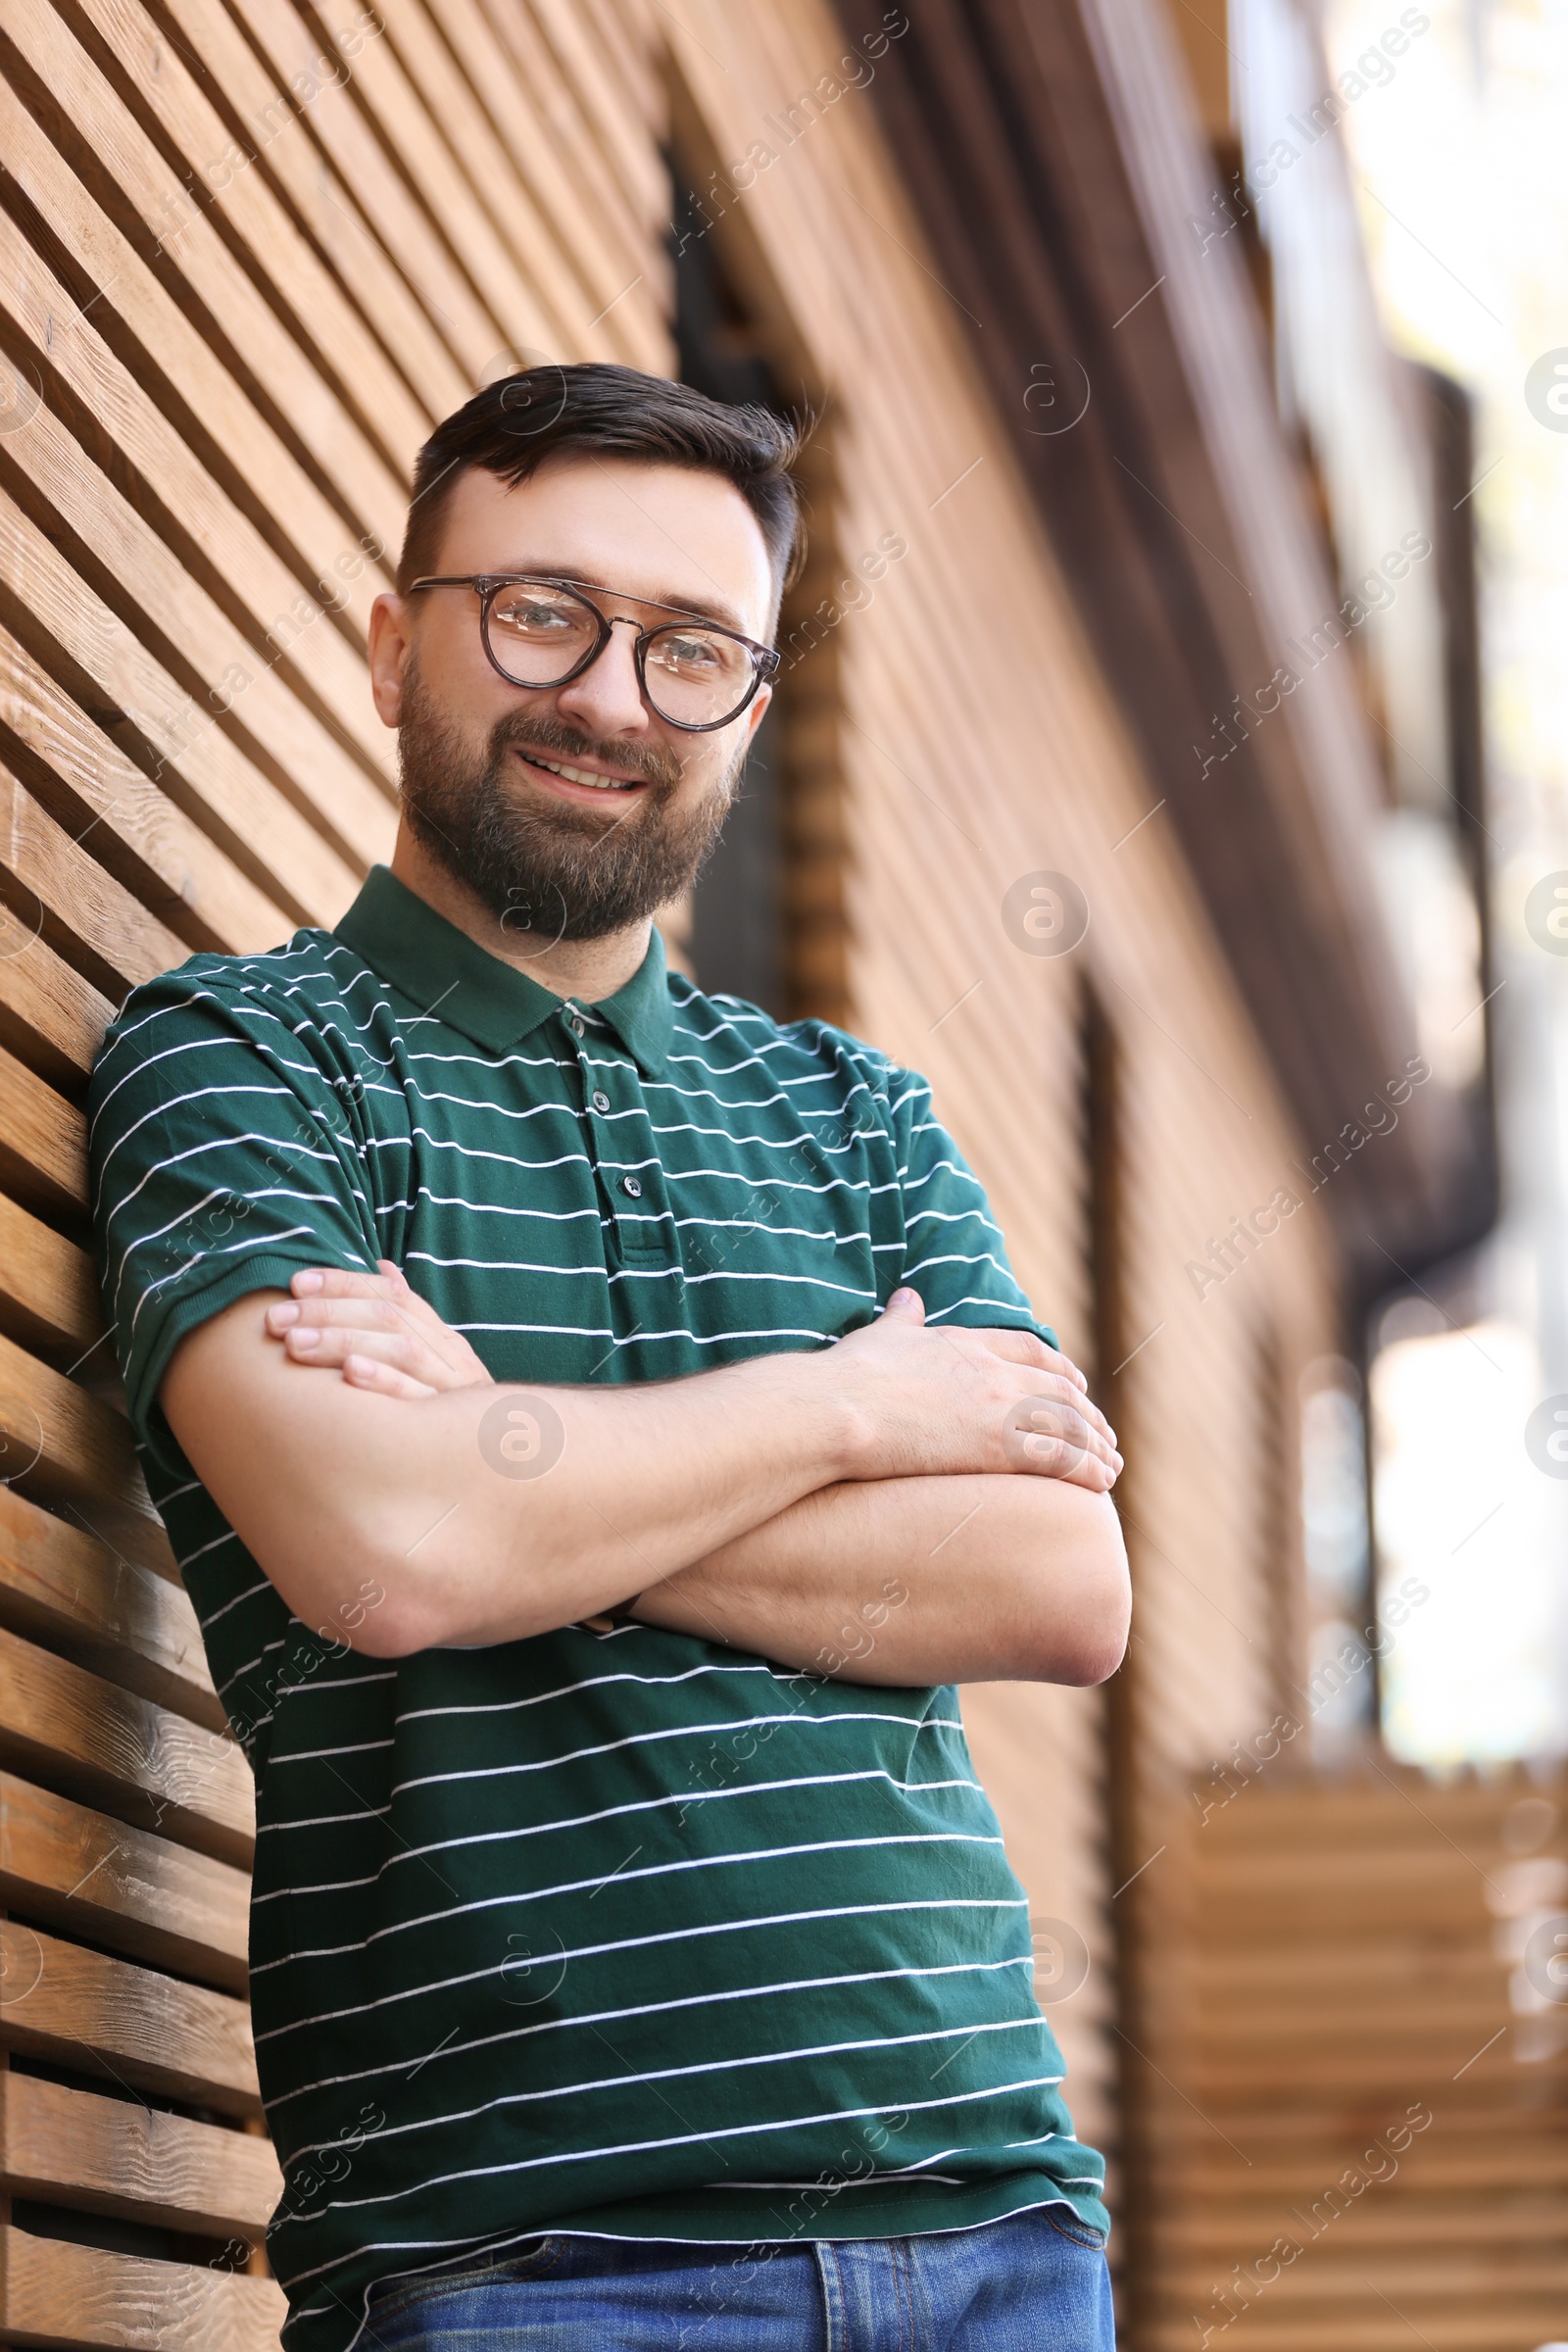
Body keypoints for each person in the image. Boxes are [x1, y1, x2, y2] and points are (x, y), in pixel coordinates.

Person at [90, 364, 1129, 2352]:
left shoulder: (856, 1116)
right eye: (542, 613)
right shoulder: (240, 1062)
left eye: (689, 651)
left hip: (996, 2226)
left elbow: (1054, 1582)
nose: (609, 699)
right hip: (535, 2263)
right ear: (397, 644)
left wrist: (500, 1452)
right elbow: (384, 1553)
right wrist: (845, 1413)